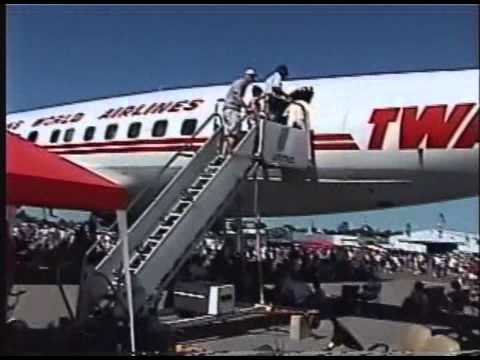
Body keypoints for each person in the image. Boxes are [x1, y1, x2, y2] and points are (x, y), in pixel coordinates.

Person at [221, 68, 257, 157]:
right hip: (232, 109)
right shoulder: (240, 83)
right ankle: (229, 153)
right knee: (233, 133)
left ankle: (223, 154)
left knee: (229, 133)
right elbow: (237, 96)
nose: (252, 80)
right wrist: (246, 108)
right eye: (251, 77)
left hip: (228, 109)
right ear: (247, 76)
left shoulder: (242, 85)